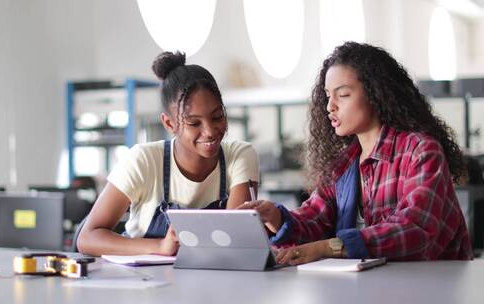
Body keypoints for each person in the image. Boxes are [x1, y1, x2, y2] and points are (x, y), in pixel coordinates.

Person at [240, 41, 472, 265]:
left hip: (435, 287)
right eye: (327, 95)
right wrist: (277, 218)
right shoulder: (344, 164)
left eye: (342, 95)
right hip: (375, 287)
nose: (330, 106)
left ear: (376, 94)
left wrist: (329, 247)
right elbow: (315, 217)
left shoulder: (420, 151)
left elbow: (417, 230)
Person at [77, 51, 259, 256]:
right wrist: (159, 247)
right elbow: (88, 237)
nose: (209, 131)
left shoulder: (240, 156)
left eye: (217, 117)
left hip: (213, 280)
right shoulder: (143, 160)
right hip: (143, 282)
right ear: (169, 123)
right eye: (194, 123)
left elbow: (235, 237)